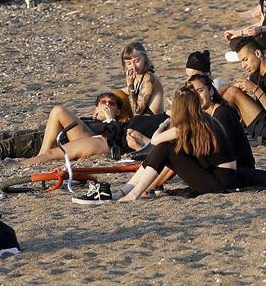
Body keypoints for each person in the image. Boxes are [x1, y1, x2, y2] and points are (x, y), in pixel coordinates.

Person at [74, 87, 237, 203]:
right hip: (224, 177)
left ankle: (132, 193)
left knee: (165, 148)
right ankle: (126, 191)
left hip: (219, 181)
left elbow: (155, 140)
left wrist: (163, 125)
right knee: (169, 149)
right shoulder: (203, 120)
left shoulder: (186, 126)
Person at [19, 93, 133, 166]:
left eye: (111, 104)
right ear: (96, 107)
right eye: (103, 102)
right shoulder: (86, 120)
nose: (107, 105)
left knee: (58, 110)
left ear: (118, 111)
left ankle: (40, 156)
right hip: (50, 140)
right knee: (10, 140)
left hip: (86, 141)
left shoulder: (117, 125)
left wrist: (110, 118)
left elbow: (114, 139)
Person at [220, 37, 266, 144]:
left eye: (245, 59)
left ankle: (221, 138)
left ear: (258, 54)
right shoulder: (255, 76)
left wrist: (255, 89)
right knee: (231, 91)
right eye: (241, 61)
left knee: (232, 93)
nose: (243, 66)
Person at [119, 41, 166, 151]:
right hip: (145, 120)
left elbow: (137, 111)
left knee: (130, 125)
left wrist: (129, 84)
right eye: (129, 63)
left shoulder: (148, 78)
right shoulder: (137, 77)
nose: (133, 67)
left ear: (144, 59)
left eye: (137, 61)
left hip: (155, 121)